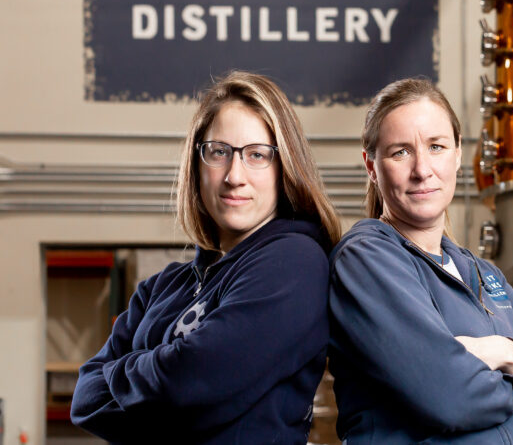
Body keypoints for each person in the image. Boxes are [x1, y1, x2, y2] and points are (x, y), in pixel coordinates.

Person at [71, 71, 342, 444]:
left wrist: (125, 373)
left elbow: (192, 382)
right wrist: (169, 381)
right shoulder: (164, 286)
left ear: (285, 169)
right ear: (196, 163)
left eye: (257, 155)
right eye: (219, 152)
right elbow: (85, 397)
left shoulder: (295, 263)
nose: (234, 176)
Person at [328, 78, 513, 443]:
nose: (422, 170)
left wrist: (504, 352)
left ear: (459, 152)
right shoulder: (366, 259)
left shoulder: (482, 273)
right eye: (400, 152)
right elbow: (447, 395)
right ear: (371, 165)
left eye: (436, 147)